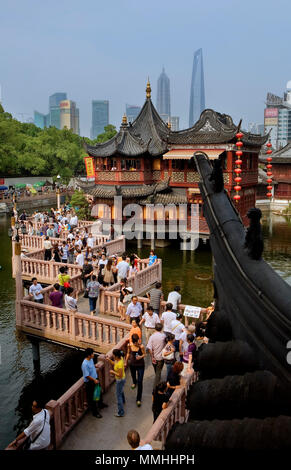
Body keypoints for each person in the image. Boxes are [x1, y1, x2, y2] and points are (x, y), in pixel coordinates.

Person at [125, 333, 146, 406]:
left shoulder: (141, 346)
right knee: (133, 376)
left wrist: (141, 357)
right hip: (132, 364)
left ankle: (138, 399)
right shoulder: (129, 345)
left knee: (140, 381)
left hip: (140, 365)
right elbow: (128, 353)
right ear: (133, 342)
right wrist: (126, 362)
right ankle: (134, 382)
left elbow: (144, 354)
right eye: (136, 342)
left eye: (138, 341)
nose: (137, 343)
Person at [81, 348, 102, 418]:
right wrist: (94, 380)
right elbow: (86, 375)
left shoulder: (91, 359)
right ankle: (95, 413)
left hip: (95, 379)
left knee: (99, 392)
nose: (93, 354)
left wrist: (95, 366)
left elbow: (92, 366)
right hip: (90, 382)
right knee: (92, 398)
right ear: (89, 355)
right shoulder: (84, 364)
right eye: (92, 354)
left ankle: (100, 404)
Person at [106, 349, 126, 417]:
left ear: (116, 356)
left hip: (120, 380)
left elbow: (119, 375)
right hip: (122, 379)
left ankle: (121, 412)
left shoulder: (120, 364)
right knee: (121, 391)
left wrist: (112, 372)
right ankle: (123, 401)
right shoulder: (119, 359)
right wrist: (109, 360)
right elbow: (114, 363)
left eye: (113, 355)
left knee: (118, 396)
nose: (113, 355)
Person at [146, 323, 166, 389]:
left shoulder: (152, 337)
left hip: (154, 358)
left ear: (155, 328)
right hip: (161, 358)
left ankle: (158, 381)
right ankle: (155, 388)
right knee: (158, 373)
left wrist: (152, 357)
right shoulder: (163, 336)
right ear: (161, 329)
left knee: (157, 371)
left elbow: (149, 348)